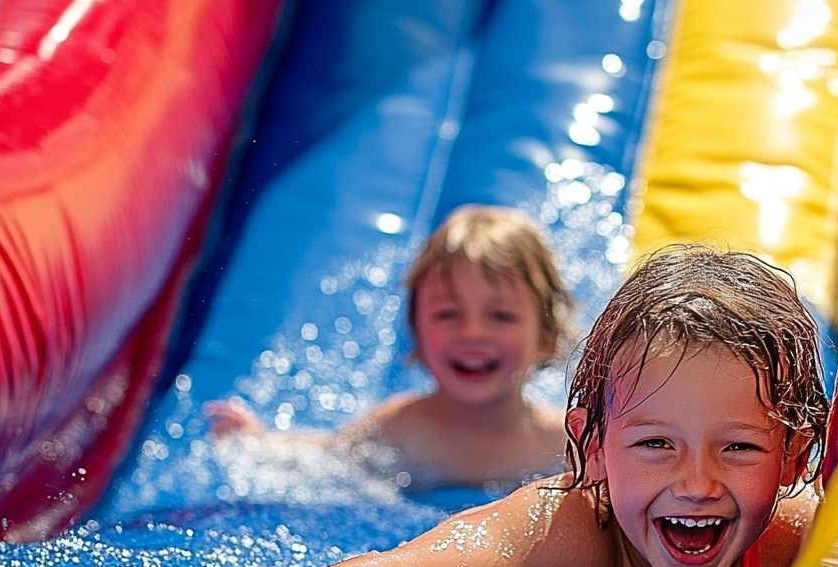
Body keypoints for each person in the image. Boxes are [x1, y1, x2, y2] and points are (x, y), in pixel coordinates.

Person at [151, 246, 828, 567]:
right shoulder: (571, 528)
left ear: (794, 455)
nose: (696, 482)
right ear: (592, 449)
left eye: (738, 448)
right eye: (656, 445)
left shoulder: (793, 540)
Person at [208, 205, 574, 491]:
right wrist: (260, 443)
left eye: (501, 316)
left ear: (545, 337)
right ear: (416, 331)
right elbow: (327, 455)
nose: (472, 332)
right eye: (447, 314)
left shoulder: (564, 444)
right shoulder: (399, 431)